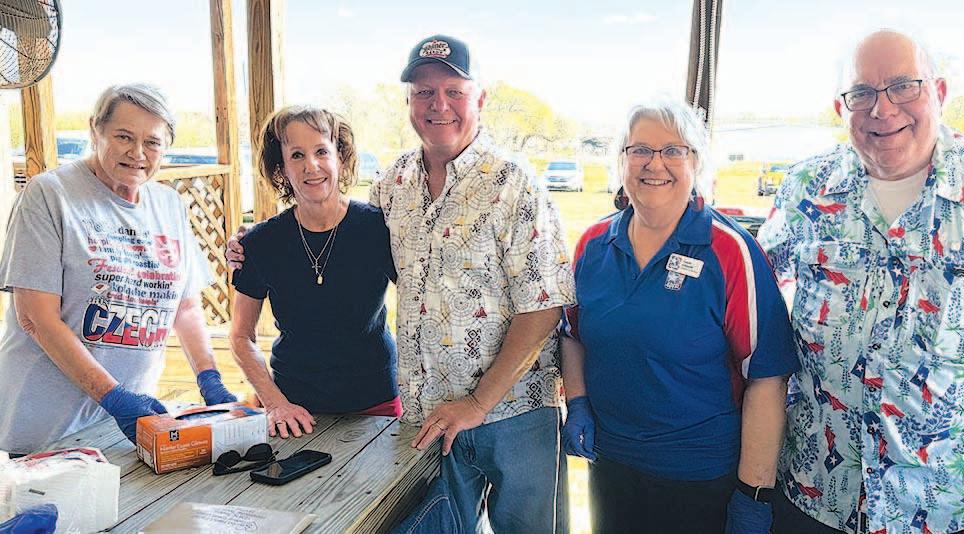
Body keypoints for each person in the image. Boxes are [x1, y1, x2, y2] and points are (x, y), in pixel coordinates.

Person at [759, 29, 964, 534]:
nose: (882, 109)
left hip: (952, 503)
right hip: (819, 494)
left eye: (904, 86)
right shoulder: (804, 189)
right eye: (862, 92)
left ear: (939, 92)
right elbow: (751, 307)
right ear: (840, 108)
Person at [561, 100, 799, 533]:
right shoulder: (594, 244)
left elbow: (767, 376)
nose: (655, 164)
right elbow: (573, 334)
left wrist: (753, 496)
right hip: (611, 465)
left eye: (673, 150)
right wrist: (577, 403)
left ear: (697, 162)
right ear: (621, 160)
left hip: (700, 475)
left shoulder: (729, 251)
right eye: (640, 150)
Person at [377, 35, 574, 533]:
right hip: (428, 417)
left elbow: (544, 306)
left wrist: (478, 403)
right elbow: (343, 240)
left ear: (479, 99)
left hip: (514, 412)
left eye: (454, 92)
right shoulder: (393, 183)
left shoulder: (514, 183)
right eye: (424, 92)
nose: (438, 105)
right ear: (409, 101)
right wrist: (259, 243)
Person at [0, 83, 237, 454]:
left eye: (152, 142)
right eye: (124, 136)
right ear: (95, 130)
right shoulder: (49, 195)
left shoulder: (169, 204)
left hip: (128, 430)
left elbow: (186, 308)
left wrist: (210, 379)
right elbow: (36, 318)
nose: (137, 153)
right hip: (44, 430)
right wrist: (113, 397)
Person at [227, 106, 400, 439]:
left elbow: (422, 299)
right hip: (294, 407)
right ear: (281, 170)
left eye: (321, 151)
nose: (312, 165)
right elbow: (240, 337)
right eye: (297, 155)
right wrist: (275, 403)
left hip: (376, 400)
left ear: (340, 157)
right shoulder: (260, 242)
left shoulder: (378, 228)